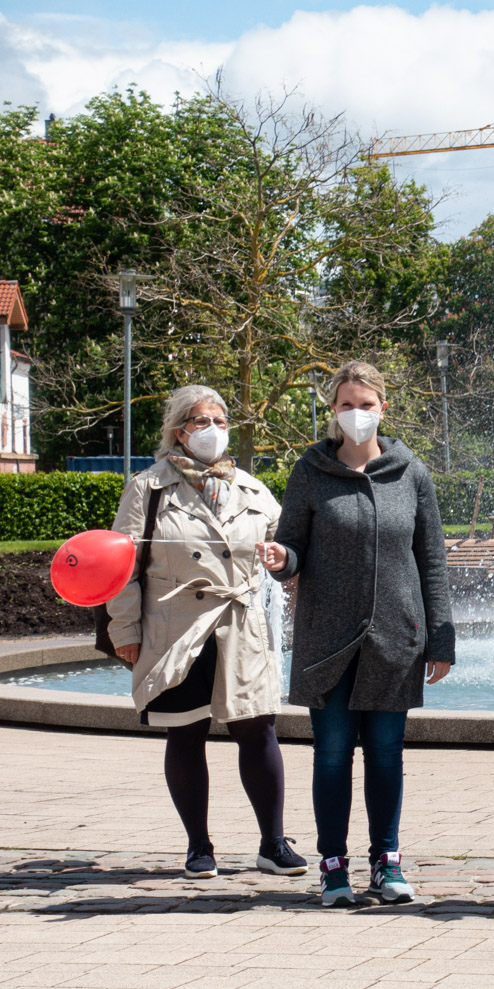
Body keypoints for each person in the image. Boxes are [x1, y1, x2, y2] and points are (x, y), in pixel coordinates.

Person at [260, 361, 455, 908]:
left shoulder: (410, 471)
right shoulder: (311, 470)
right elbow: (291, 546)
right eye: (347, 405)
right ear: (334, 412)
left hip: (395, 637)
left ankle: (386, 862)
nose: (357, 414)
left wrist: (441, 639)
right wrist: (281, 559)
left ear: (382, 408)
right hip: (328, 639)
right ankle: (333, 867)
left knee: (387, 754)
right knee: (332, 754)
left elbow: (432, 560)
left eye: (366, 405)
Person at [107, 385, 305, 879]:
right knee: (185, 732)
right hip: (175, 627)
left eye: (219, 420)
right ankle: (199, 846)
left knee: (258, 730)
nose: (212, 430)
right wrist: (124, 629)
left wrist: (284, 562)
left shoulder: (253, 489)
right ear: (179, 430)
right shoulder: (148, 488)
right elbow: (123, 565)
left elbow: (289, 556)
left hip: (240, 627)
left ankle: (272, 843)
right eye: (200, 421)